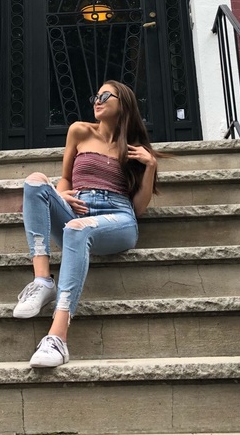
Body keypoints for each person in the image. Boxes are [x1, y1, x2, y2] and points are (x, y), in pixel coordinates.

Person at [13, 80, 159, 367]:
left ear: (123, 103)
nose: (97, 100)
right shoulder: (79, 131)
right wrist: (62, 194)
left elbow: (138, 208)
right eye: (96, 96)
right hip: (76, 211)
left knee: (76, 230)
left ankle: (57, 338)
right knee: (35, 181)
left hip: (117, 218)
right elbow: (66, 177)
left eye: (105, 96)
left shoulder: (134, 148)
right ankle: (42, 281)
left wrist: (151, 165)